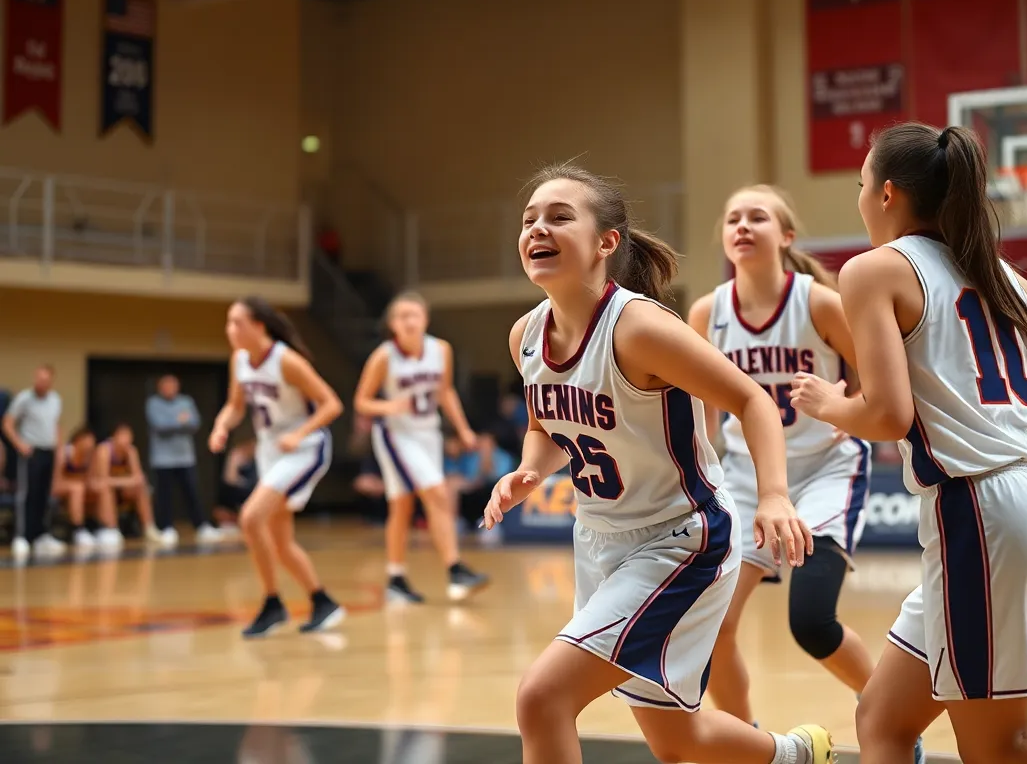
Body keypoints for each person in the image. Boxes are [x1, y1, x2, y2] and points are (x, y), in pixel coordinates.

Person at [790, 123, 1027, 764]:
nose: (860, 199)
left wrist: (830, 402)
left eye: (861, 185)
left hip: (980, 512)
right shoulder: (1000, 275)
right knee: (882, 718)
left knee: (1000, 748)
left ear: (887, 194)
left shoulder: (872, 270)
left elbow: (887, 414)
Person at [482, 163, 832, 764]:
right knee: (678, 740)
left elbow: (752, 400)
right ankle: (797, 755)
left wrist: (773, 493)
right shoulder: (526, 336)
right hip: (599, 539)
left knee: (542, 697)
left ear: (606, 242)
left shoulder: (639, 327)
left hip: (681, 539)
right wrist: (531, 468)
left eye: (561, 217)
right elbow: (544, 421)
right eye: (529, 219)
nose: (538, 227)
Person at [688, 185, 921, 758]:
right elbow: (698, 406)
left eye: (757, 217)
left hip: (825, 467)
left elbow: (877, 371)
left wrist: (854, 406)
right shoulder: (707, 313)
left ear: (785, 236)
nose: (742, 226)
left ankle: (893, 723)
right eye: (733, 218)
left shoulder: (817, 302)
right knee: (711, 628)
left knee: (811, 621)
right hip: (745, 476)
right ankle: (750, 747)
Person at [209, 297, 346, 638]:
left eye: (237, 322)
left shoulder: (287, 361)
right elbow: (235, 405)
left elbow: (332, 404)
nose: (230, 330)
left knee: (250, 518)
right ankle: (323, 602)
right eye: (228, 322)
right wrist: (221, 426)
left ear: (259, 326)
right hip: (270, 451)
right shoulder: (240, 361)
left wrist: (298, 433)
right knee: (281, 542)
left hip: (304, 449)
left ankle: (272, 604)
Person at [354, 291, 489, 605]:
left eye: (414, 315)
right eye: (401, 316)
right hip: (395, 436)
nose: (409, 321)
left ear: (425, 319)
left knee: (401, 507)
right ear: (392, 325)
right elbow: (361, 401)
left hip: (428, 434)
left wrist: (464, 428)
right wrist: (390, 406)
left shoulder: (441, 349)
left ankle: (396, 578)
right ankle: (455, 570)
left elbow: (445, 392)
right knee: (437, 494)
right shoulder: (384, 356)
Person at [146, 374, 224, 545]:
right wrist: (180, 421)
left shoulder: (186, 402)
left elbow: (194, 422)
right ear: (160, 388)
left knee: (192, 492)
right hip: (162, 459)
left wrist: (176, 423)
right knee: (164, 495)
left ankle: (201, 526)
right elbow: (160, 426)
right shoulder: (153, 403)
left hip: (185, 457)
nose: (170, 389)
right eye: (166, 385)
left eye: (173, 385)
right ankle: (165, 527)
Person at [3, 365, 66, 561]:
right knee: (26, 494)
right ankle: (22, 536)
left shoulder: (56, 400)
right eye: (39, 378)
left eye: (46, 380)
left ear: (51, 381)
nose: (41, 383)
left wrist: (59, 448)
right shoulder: (24, 398)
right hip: (31, 452)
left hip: (49, 451)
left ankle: (40, 535)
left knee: (43, 494)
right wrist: (19, 444)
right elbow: (7, 423)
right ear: (34, 378)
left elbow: (56, 425)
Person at [91, 423, 158, 543]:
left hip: (120, 489)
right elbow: (103, 479)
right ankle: (111, 529)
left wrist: (122, 482)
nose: (126, 439)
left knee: (141, 488)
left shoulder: (131, 451)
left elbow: (139, 478)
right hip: (97, 490)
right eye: (123, 435)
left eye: (128, 436)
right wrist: (127, 481)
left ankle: (149, 528)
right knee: (105, 489)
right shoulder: (104, 450)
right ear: (114, 437)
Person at [53, 427, 112, 551]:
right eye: (88, 441)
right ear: (78, 440)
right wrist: (76, 484)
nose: (90, 445)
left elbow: (90, 480)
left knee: (101, 487)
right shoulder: (65, 453)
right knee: (77, 488)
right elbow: (55, 483)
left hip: (80, 491)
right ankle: (78, 529)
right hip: (60, 490)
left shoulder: (90, 457)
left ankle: (106, 528)